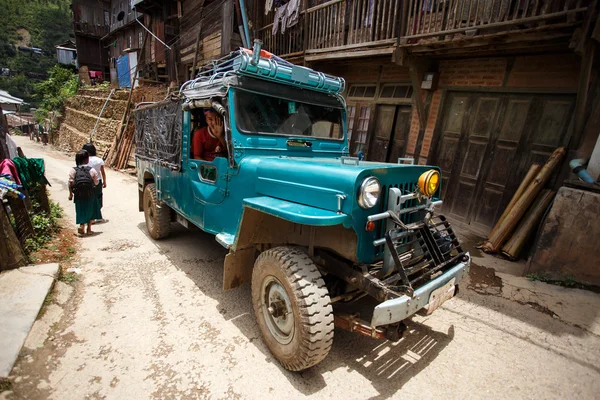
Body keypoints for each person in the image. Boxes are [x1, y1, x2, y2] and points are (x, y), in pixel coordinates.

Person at [68, 150, 102, 235]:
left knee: (80, 210)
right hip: (90, 194)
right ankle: (89, 229)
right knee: (91, 210)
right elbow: (96, 182)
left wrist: (70, 194)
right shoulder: (92, 170)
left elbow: (70, 182)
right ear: (87, 160)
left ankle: (81, 225)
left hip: (78, 195)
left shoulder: (73, 170)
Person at [82, 143, 107, 223]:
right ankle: (97, 215)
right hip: (97, 181)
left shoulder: (84, 160)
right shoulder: (99, 160)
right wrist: (104, 182)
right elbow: (103, 172)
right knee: (98, 198)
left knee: (88, 198)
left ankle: (89, 217)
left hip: (86, 181)